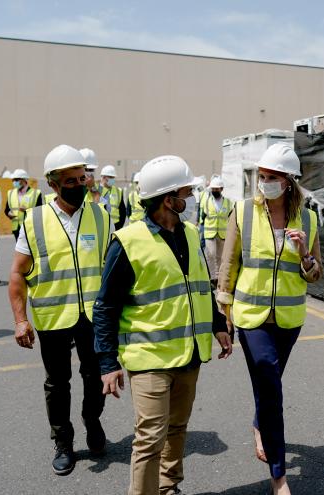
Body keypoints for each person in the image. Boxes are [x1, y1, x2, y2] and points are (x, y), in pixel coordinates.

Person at [93, 155, 233, 495]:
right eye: (187, 191)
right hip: (149, 358)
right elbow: (105, 307)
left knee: (177, 428)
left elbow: (200, 286)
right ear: (170, 199)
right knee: (150, 437)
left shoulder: (191, 233)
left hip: (189, 354)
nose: (193, 197)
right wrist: (108, 363)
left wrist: (218, 324)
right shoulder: (127, 242)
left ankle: (168, 487)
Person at [217, 143, 322, 495]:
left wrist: (305, 252)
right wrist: (224, 313)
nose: (265, 183)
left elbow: (315, 274)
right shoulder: (243, 212)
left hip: (289, 318)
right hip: (251, 317)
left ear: (289, 181)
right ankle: (280, 476)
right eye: (262, 177)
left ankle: (260, 425)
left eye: (272, 177)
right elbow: (228, 264)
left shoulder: (308, 218)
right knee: (269, 381)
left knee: (269, 381)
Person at [8, 144, 112, 476]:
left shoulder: (101, 215)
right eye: (71, 180)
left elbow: (113, 269)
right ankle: (63, 441)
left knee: (95, 376)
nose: (81, 184)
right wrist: (21, 320)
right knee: (58, 382)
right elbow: (17, 273)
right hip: (53, 317)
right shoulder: (35, 220)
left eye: (83, 178)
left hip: (94, 317)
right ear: (53, 183)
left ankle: (92, 420)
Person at [199, 175, 232, 286]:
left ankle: (218, 277)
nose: (214, 191)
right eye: (213, 189)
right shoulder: (207, 201)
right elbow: (202, 215)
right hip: (209, 233)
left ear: (221, 189)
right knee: (210, 254)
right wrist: (200, 225)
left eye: (216, 189)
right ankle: (212, 277)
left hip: (222, 234)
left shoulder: (228, 202)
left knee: (220, 257)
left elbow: (231, 217)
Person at [5, 168, 43, 243]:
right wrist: (9, 214)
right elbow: (7, 210)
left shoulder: (35, 193)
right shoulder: (10, 193)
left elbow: (40, 211)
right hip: (16, 228)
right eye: (13, 180)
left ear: (24, 180)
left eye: (17, 180)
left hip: (30, 227)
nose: (14, 182)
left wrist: (27, 210)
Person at [99, 165, 126, 230]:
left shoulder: (118, 191)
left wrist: (119, 226)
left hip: (115, 226)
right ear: (103, 177)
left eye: (113, 177)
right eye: (111, 177)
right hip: (100, 226)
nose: (113, 179)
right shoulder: (95, 191)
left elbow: (122, 211)